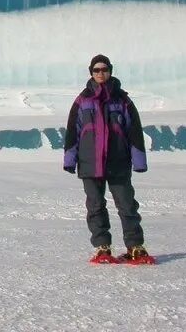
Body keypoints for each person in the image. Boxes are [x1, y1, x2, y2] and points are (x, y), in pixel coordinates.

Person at [63, 53, 154, 264]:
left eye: (104, 69)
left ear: (110, 71)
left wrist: (138, 160)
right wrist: (70, 159)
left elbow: (135, 132)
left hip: (118, 162)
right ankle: (102, 247)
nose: (100, 73)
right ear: (91, 73)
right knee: (95, 206)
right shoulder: (82, 101)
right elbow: (72, 132)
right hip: (89, 163)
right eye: (96, 70)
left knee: (127, 205)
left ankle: (135, 247)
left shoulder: (123, 100)